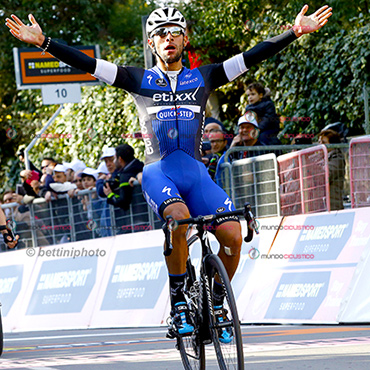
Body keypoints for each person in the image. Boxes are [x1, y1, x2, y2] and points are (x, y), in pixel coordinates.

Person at [6, 4, 332, 338]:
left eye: (175, 31)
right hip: (158, 173)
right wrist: (45, 42)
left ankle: (216, 300)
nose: (168, 38)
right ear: (151, 43)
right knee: (178, 219)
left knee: (233, 233)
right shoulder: (137, 78)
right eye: (160, 34)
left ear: (185, 38)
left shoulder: (204, 76)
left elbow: (252, 56)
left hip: (196, 175)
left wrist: (293, 32)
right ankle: (178, 304)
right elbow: (87, 63)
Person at [103, 144, 144, 210]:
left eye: (114, 158)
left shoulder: (126, 176)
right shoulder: (141, 166)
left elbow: (123, 202)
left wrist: (110, 195)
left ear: (120, 159)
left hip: (138, 215)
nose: (114, 161)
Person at [318, 129, 345, 210]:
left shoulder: (337, 158)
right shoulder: (321, 158)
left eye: (324, 143)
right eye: (319, 142)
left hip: (332, 206)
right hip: (323, 205)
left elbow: (325, 176)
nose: (320, 145)